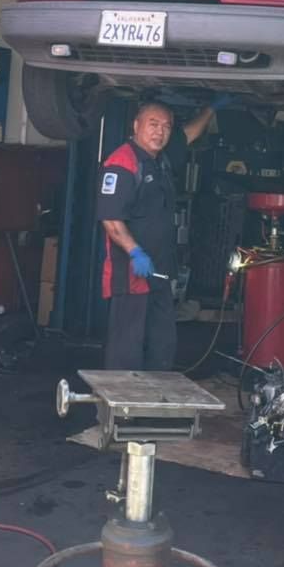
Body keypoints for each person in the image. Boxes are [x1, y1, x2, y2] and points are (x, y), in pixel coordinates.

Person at [96, 99, 220, 370]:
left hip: (160, 272)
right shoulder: (123, 163)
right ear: (136, 125)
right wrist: (135, 253)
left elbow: (187, 135)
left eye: (166, 126)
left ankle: (156, 404)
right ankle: (121, 408)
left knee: (162, 343)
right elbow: (111, 220)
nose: (159, 132)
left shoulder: (159, 159)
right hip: (132, 273)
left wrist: (210, 108)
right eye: (153, 124)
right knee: (126, 346)